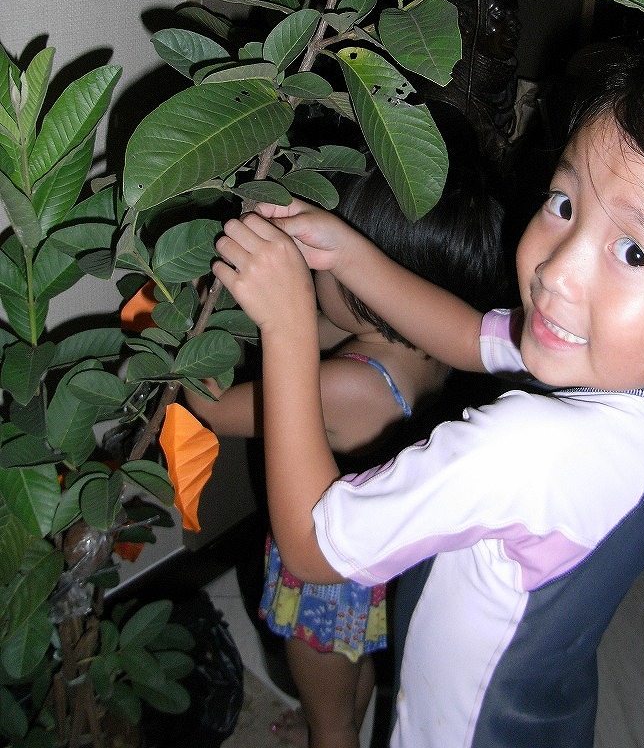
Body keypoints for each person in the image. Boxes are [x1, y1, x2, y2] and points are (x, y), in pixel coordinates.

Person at [209, 38, 644, 748]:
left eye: (633, 252)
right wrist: (348, 254)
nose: (556, 271)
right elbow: (475, 336)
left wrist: (288, 326)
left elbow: (315, 548)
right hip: (541, 704)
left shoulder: (530, 448)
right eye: (564, 203)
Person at [184, 163, 507, 748]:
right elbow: (323, 326)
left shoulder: (350, 385)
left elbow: (214, 409)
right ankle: (338, 720)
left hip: (324, 586)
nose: (313, 271)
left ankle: (331, 732)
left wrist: (185, 331)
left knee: (328, 716)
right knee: (348, 675)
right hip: (371, 564)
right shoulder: (426, 344)